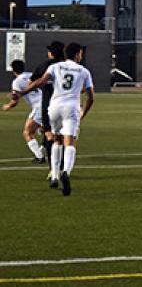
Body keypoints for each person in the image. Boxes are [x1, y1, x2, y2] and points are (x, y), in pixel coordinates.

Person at [21, 43, 94, 196]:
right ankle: (65, 172)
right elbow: (90, 97)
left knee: (56, 140)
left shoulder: (56, 67)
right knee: (69, 142)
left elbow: (40, 81)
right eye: (80, 54)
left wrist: (22, 92)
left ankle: (54, 175)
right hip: (71, 108)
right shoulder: (84, 71)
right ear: (77, 55)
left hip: (54, 107)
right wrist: (83, 113)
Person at [30, 41, 64, 172]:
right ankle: (61, 167)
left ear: (51, 53)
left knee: (50, 136)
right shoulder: (66, 66)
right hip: (63, 105)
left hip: (47, 105)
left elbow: (32, 82)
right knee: (63, 136)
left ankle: (52, 170)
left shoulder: (44, 66)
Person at [2, 60, 45, 162]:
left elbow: (15, 100)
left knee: (27, 133)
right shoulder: (30, 74)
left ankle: (39, 157)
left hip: (38, 106)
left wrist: (7, 106)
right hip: (47, 103)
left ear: (13, 70)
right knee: (43, 130)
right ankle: (45, 147)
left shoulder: (16, 82)